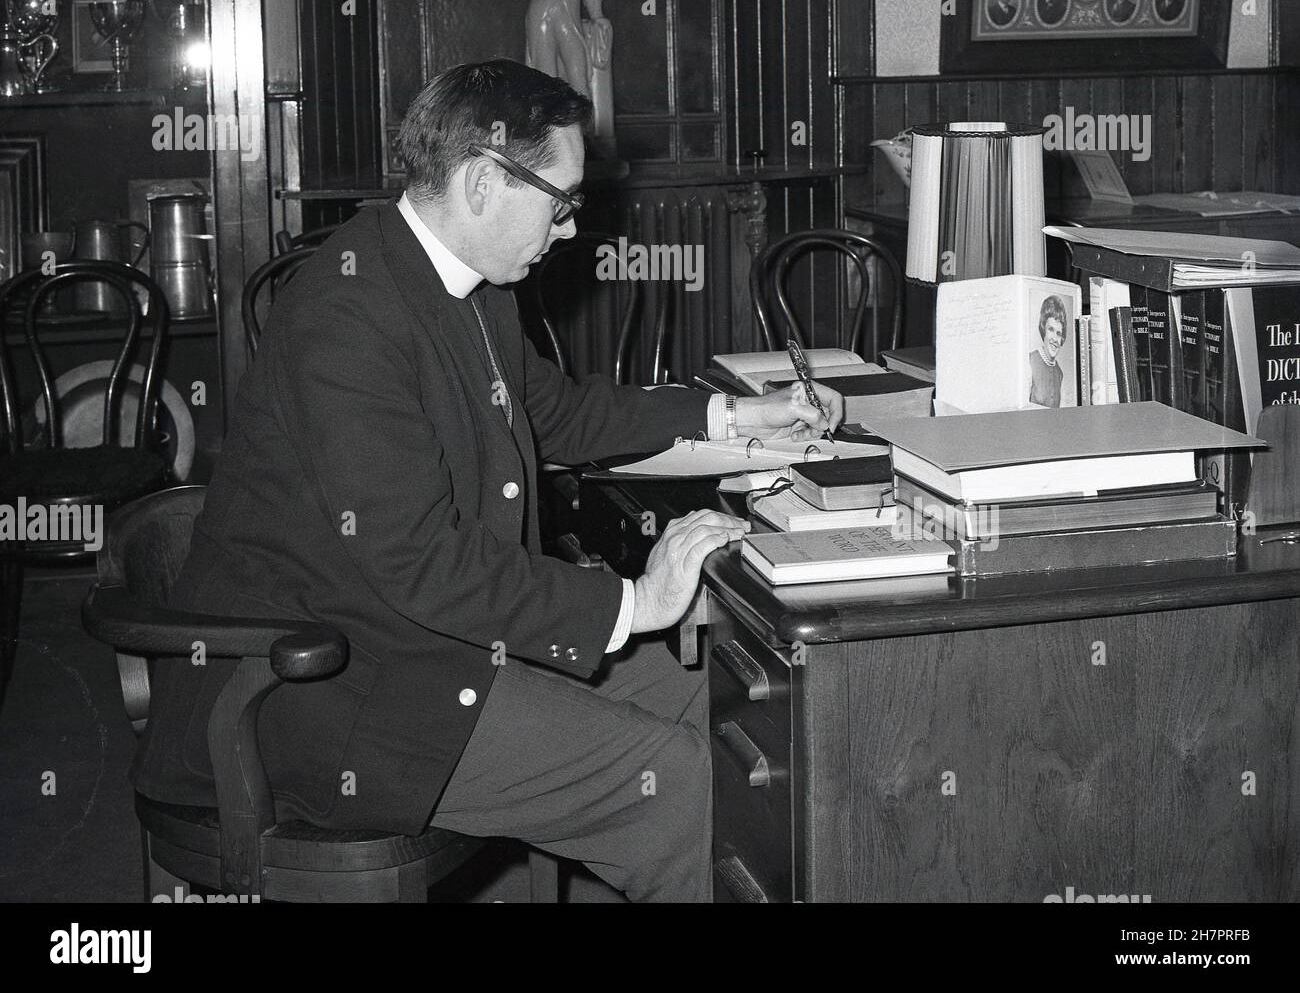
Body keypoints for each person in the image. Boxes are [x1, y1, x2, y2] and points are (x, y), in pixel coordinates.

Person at [131, 59, 844, 903]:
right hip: (329, 688)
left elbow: (565, 415)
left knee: (717, 689)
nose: (572, 227)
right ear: (480, 181)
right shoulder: (344, 316)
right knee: (673, 779)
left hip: (431, 641)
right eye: (563, 200)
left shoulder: (463, 284)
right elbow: (420, 562)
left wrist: (733, 418)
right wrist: (634, 603)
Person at [1028, 295, 1068, 407]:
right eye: (1051, 329)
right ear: (1043, 329)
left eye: (1059, 333)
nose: (1055, 339)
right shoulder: (1029, 361)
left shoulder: (1060, 374)